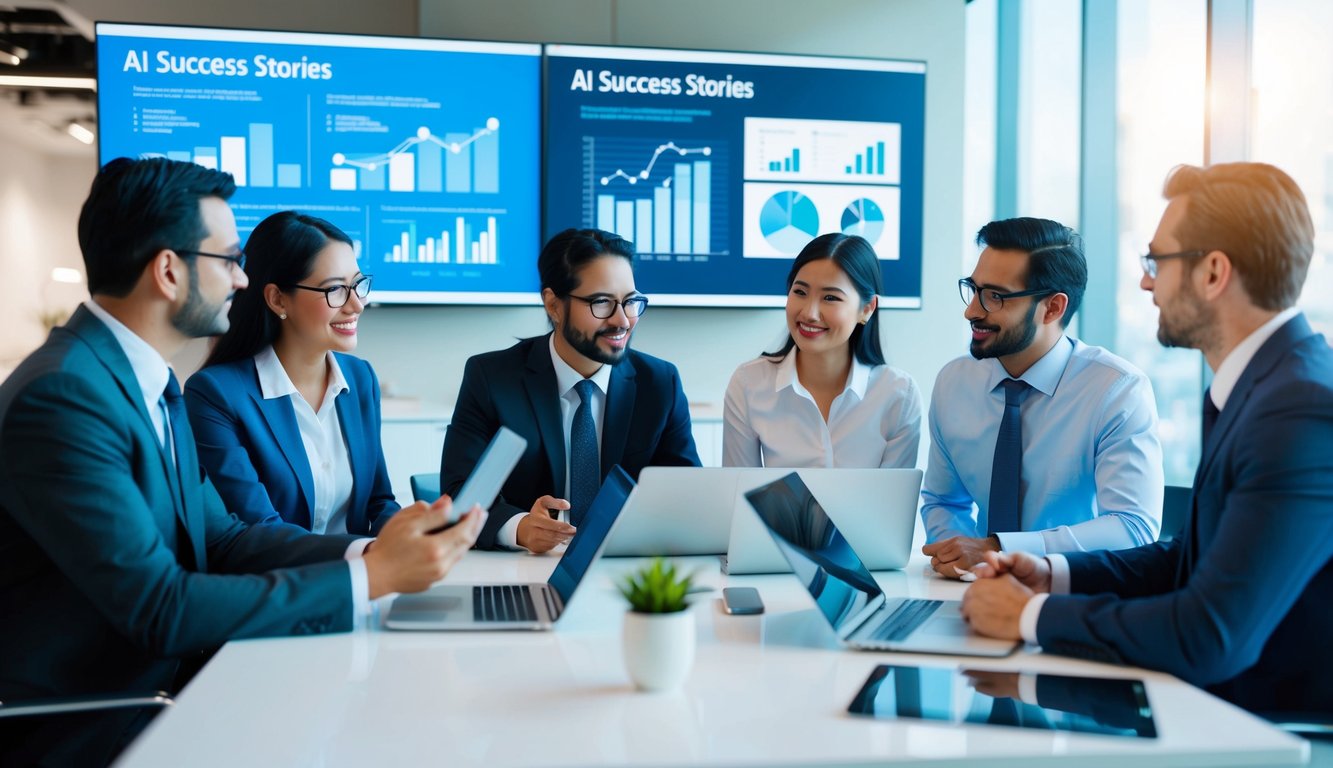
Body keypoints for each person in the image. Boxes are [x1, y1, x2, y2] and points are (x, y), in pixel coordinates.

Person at [0, 158, 483, 765]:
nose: (241, 281)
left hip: (171, 689)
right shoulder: (66, 396)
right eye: (228, 260)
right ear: (170, 271)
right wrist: (372, 579)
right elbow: (161, 609)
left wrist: (371, 553)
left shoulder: (148, 383)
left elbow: (225, 539)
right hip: (100, 721)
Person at [960, 162, 1333, 716]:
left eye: (1158, 261)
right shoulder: (1261, 386)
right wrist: (1052, 575)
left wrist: (1027, 617)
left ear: (1212, 273)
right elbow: (1191, 557)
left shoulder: (1297, 408)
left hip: (1269, 730)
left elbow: (1209, 634)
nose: (1145, 280)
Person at [920, 218, 1163, 579]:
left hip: (1075, 595)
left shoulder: (1117, 391)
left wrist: (1002, 549)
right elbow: (944, 501)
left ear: (1052, 308)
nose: (971, 310)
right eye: (973, 289)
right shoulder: (954, 383)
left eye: (995, 296)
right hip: (972, 594)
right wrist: (960, 558)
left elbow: (1133, 528)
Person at [441, 228, 700, 552]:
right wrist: (519, 527)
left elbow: (689, 496)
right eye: (602, 303)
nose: (622, 321)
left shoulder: (659, 383)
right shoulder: (492, 378)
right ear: (554, 305)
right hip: (522, 569)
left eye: (631, 302)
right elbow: (459, 492)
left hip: (623, 570)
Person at [185, 211, 397, 536]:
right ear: (278, 299)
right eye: (336, 289)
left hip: (367, 579)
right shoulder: (215, 395)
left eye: (358, 284)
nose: (356, 304)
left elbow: (379, 502)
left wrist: (412, 529)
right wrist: (369, 554)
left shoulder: (360, 379)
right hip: (283, 583)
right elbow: (259, 531)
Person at [721, 233, 921, 469]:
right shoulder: (749, 384)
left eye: (830, 297)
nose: (809, 313)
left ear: (867, 309)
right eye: (800, 292)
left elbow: (893, 503)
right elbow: (742, 493)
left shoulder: (898, 395)